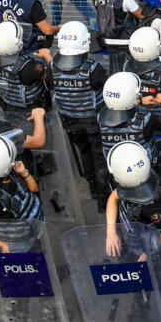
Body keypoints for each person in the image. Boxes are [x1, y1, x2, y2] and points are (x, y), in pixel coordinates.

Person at [48, 22, 108, 204]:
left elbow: (52, 86)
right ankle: (103, 198)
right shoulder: (92, 68)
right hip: (93, 121)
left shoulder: (53, 68)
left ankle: (93, 189)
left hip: (70, 122)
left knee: (85, 153)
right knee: (99, 157)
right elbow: (106, 88)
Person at [104, 140, 161, 275]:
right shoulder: (135, 181)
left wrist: (149, 254)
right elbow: (113, 197)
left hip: (154, 246)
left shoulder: (150, 207)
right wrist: (111, 232)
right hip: (136, 242)